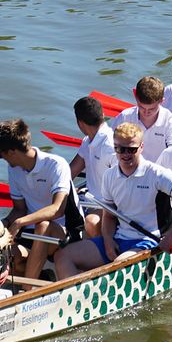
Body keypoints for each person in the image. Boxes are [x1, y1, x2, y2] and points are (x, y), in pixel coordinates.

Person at [54, 122, 172, 279]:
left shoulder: (157, 174)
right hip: (120, 238)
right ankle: (77, 293)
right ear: (114, 148)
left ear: (141, 147)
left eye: (131, 149)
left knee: (117, 267)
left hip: (149, 240)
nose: (125, 154)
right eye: (120, 149)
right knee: (63, 256)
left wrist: (171, 236)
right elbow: (109, 216)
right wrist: (108, 241)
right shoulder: (109, 176)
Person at [0, 118, 80, 281]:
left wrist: (19, 223)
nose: (1, 158)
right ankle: (44, 277)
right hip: (30, 231)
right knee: (7, 256)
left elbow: (57, 209)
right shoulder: (14, 170)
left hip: (64, 229)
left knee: (43, 226)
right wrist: (3, 223)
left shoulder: (56, 165)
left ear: (12, 152)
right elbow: (19, 209)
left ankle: (27, 289)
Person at [68, 96, 116, 237]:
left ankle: (99, 248)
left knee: (91, 221)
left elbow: (123, 185)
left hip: (108, 205)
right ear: (102, 115)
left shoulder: (110, 146)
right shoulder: (87, 141)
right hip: (89, 200)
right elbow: (70, 172)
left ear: (80, 123)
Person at [113, 76, 172, 162]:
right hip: (130, 166)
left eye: (152, 109)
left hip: (159, 168)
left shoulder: (171, 121)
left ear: (162, 101)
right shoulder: (124, 117)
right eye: (142, 107)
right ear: (136, 98)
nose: (146, 112)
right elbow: (111, 147)